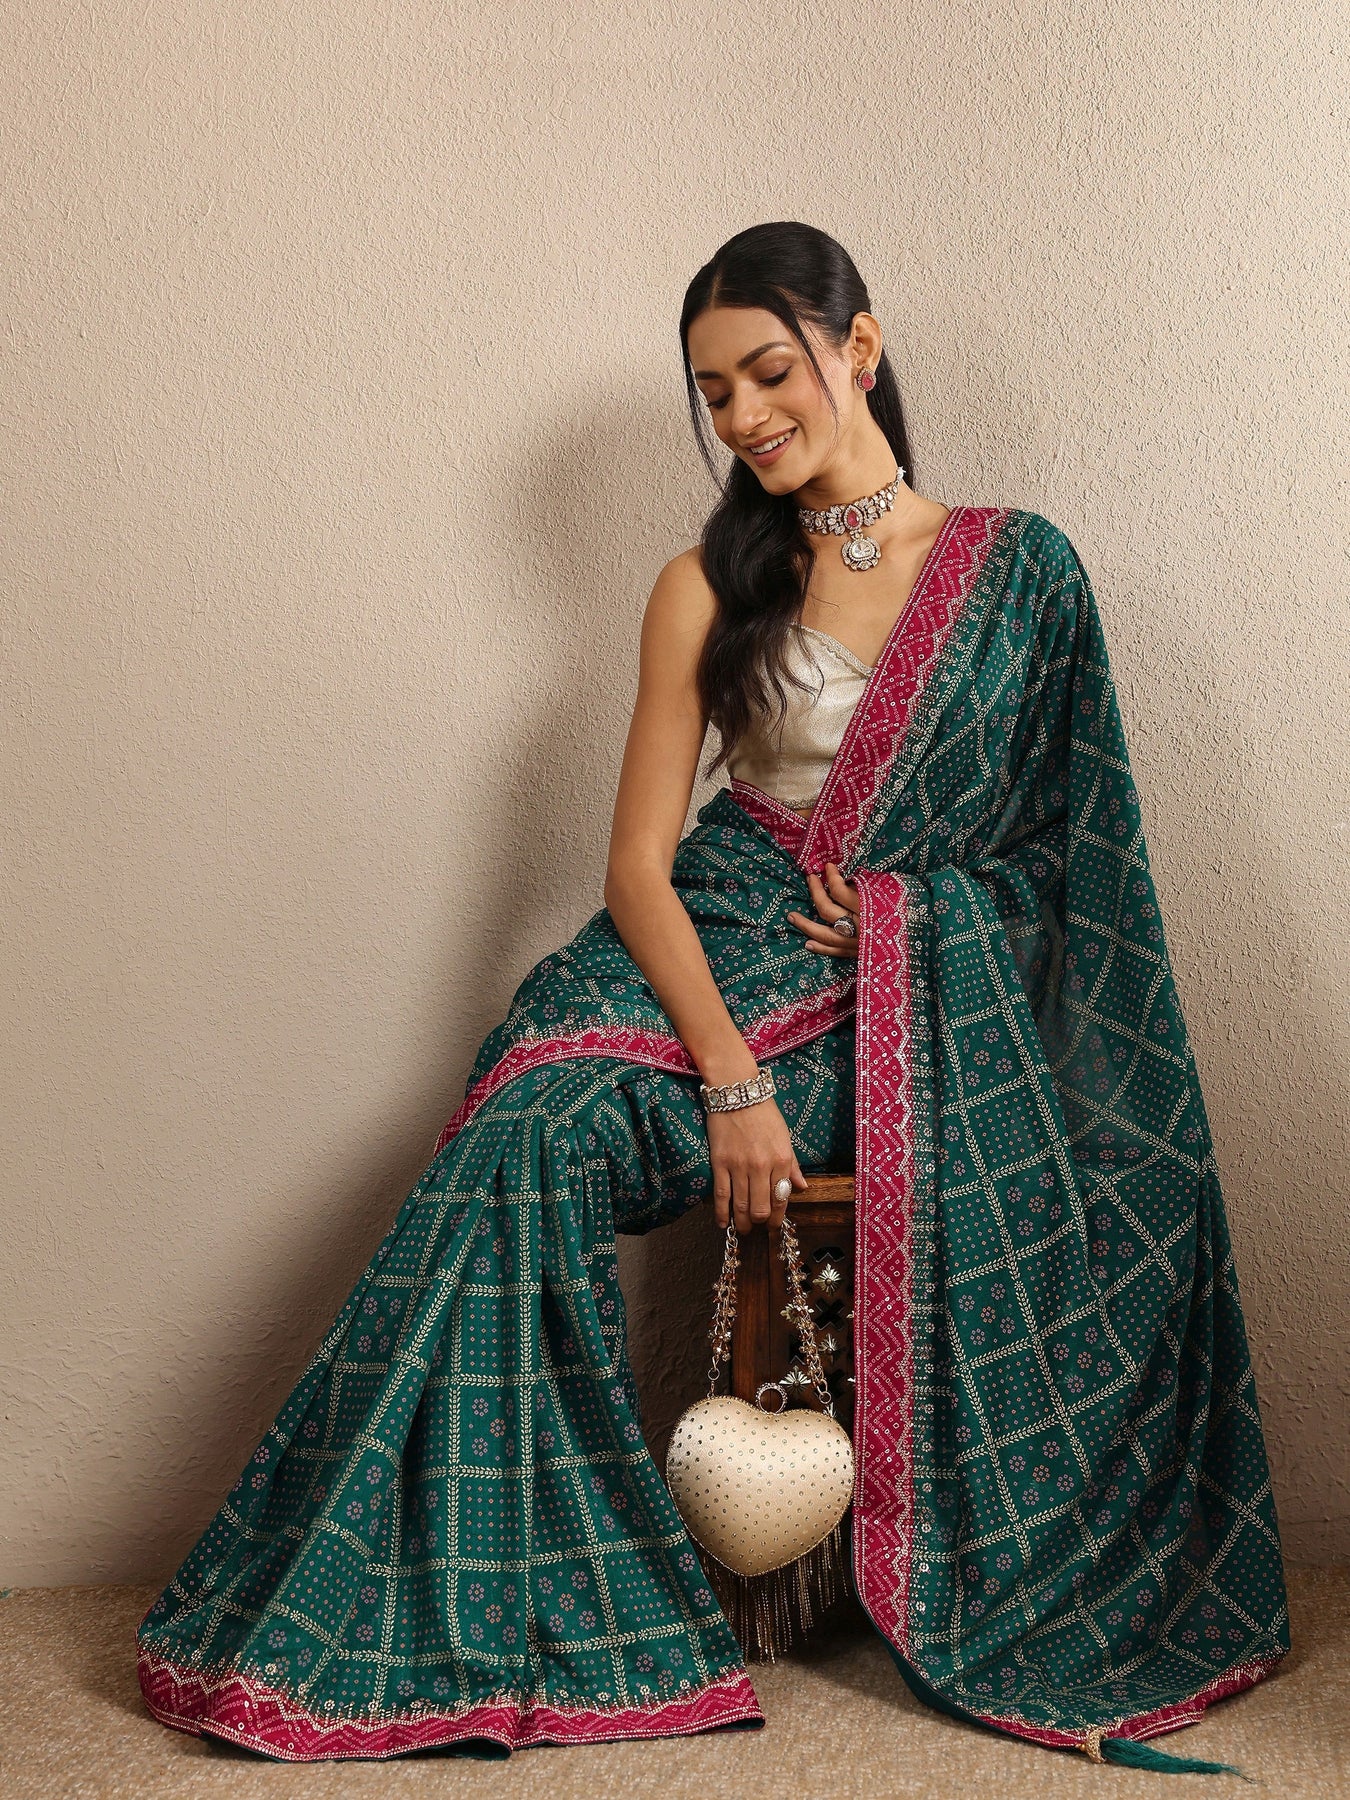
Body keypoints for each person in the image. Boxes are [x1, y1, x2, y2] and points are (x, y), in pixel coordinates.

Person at [135, 221, 1289, 1770]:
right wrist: (730, 1080)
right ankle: (477, 1599)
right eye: (713, 392)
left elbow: (1071, 858)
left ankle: (492, 1592)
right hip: (697, 953)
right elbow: (634, 868)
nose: (744, 414)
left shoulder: (1018, 571)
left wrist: (908, 915)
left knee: (543, 1146)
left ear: (856, 349)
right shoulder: (702, 585)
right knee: (525, 1134)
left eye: (767, 371)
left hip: (893, 1010)